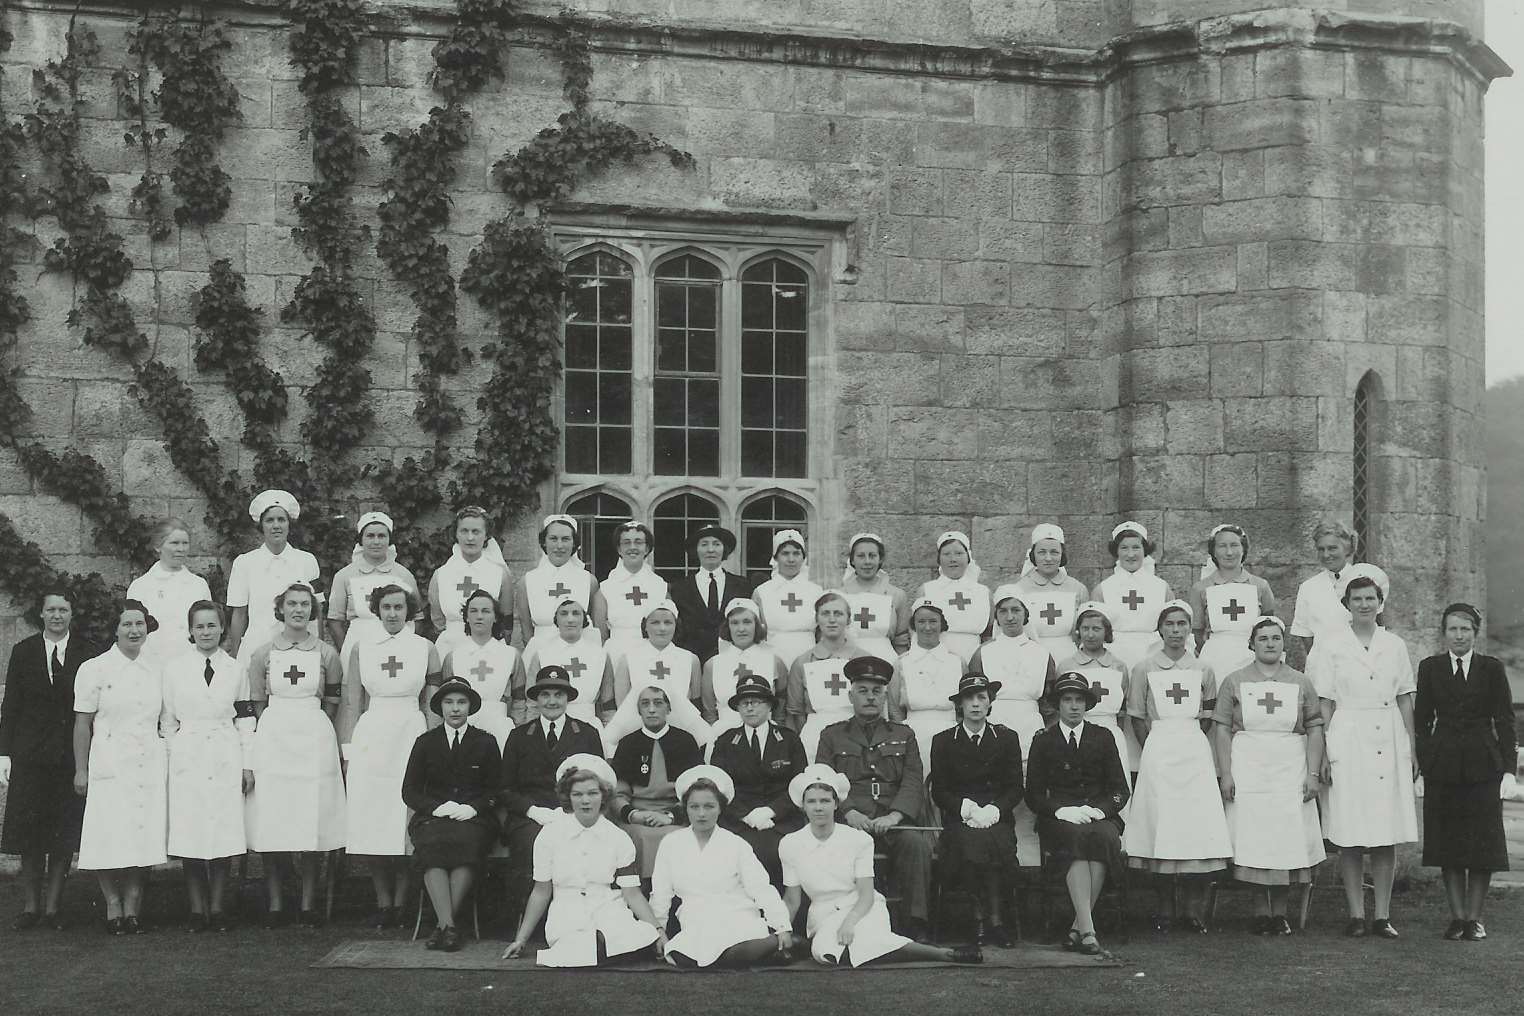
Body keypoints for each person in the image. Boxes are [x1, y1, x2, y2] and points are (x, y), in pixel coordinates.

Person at [1308, 569, 1418, 939]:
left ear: (1380, 602)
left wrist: (1412, 744)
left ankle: (1382, 915)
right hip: (1348, 736)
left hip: (1388, 736)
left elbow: (1405, 696)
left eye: (1370, 598)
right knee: (1350, 831)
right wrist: (1321, 752)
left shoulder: (1395, 645)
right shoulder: (1332, 645)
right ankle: (1356, 914)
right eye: (1357, 599)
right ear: (1347, 605)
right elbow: (1325, 701)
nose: (1365, 605)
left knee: (1384, 832)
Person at [781, 764, 981, 966]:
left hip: (862, 908)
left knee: (861, 941)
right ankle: (922, 952)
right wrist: (783, 932)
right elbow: (792, 900)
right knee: (826, 953)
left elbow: (866, 894)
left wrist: (850, 923)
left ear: (835, 804)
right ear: (803, 806)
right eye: (811, 802)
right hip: (824, 916)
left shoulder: (858, 840)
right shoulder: (790, 843)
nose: (818, 808)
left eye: (825, 801)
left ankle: (942, 955)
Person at [1213, 616, 1325, 935]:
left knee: (1285, 837)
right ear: (1252, 644)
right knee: (1255, 838)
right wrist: (1226, 773)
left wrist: (1313, 773)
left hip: (1290, 767)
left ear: (1283, 644)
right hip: (1249, 767)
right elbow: (1222, 730)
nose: (1270, 644)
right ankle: (1261, 912)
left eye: (1276, 638)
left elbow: (1315, 728)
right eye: (1263, 638)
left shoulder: (1301, 682)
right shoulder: (1234, 681)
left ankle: (1281, 914)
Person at [1125, 599, 1230, 934]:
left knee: (1194, 827)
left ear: (1190, 629)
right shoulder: (1143, 668)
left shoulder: (1204, 669)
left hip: (1194, 752)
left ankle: (1193, 910)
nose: (1175, 631)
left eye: (1182, 624)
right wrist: (1156, 744)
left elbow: (1209, 716)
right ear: (1160, 629)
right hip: (1158, 748)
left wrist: (1187, 740)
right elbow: (1138, 718)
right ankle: (1165, 909)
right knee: (1162, 825)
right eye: (1169, 624)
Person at [244, 582, 346, 926]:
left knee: (311, 818)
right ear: (281, 609)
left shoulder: (326, 654)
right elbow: (258, 702)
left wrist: (312, 724)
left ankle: (307, 903)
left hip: (313, 739)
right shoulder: (263, 654)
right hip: (274, 738)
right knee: (275, 820)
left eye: (305, 604)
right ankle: (275, 903)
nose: (299, 610)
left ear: (311, 611)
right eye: (292, 604)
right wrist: (277, 726)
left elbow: (332, 699)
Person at [339, 584, 441, 928]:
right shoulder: (361, 648)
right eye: (386, 607)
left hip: (411, 732)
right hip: (372, 735)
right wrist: (349, 750)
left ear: (409, 611)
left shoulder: (425, 648)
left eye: (399, 607)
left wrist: (432, 745)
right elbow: (353, 700)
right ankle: (383, 902)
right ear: (377, 610)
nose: (393, 614)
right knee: (374, 819)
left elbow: (433, 701)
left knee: (404, 819)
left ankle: (403, 900)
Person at [814, 655, 935, 941]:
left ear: (885, 696)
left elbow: (913, 780)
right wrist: (849, 812)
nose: (870, 697)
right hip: (850, 821)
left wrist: (895, 815)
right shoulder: (831, 736)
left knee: (916, 844)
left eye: (877, 691)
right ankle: (840, 922)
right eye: (863, 691)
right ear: (850, 695)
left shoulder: (904, 735)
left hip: (893, 819)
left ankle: (914, 923)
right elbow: (823, 781)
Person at [502, 754, 663, 966]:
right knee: (579, 943)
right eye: (577, 794)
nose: (585, 801)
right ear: (568, 797)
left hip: (610, 910)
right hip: (567, 913)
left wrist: (658, 931)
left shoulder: (619, 838)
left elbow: (632, 894)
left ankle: (602, 948)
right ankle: (602, 950)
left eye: (592, 793)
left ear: (604, 796)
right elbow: (541, 891)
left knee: (640, 933)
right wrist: (521, 940)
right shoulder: (549, 835)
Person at [1415, 602, 1515, 942]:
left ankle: (1475, 918)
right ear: (1444, 633)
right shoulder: (1430, 668)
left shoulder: (1491, 668)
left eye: (1465, 629)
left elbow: (1505, 720)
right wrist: (1424, 764)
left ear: (1475, 633)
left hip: (1483, 766)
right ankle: (1456, 917)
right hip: (1443, 767)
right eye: (1453, 629)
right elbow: (1422, 719)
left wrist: (1509, 771)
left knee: (1482, 845)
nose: (1459, 635)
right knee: (1450, 843)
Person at [0, 589, 98, 931]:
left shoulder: (87, 653)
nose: (57, 615)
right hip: (29, 756)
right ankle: (31, 906)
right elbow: (10, 704)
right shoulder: (23, 651)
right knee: (30, 836)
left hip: (68, 757)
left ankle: (54, 907)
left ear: (72, 614)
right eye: (51, 609)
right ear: (41, 614)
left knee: (61, 836)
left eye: (63, 610)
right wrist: (4, 754)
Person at [72, 599, 167, 935]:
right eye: (127, 624)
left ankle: (134, 901)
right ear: (115, 629)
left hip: (148, 762)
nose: (134, 630)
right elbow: (82, 724)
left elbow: (165, 721)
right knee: (108, 833)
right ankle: (112, 901)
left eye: (139, 624)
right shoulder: (94, 669)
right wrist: (81, 769)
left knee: (142, 833)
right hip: (109, 759)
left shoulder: (157, 669)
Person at [160, 601, 254, 931]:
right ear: (190, 631)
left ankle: (218, 907)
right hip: (189, 752)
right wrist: (175, 757)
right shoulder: (174, 670)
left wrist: (246, 764)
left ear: (222, 629)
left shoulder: (235, 669)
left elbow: (245, 718)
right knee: (192, 833)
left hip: (225, 750)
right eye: (199, 626)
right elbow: (168, 721)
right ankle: (197, 909)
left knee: (223, 833)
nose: (205, 632)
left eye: (211, 626)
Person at [1025, 673, 1130, 957]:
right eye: (1067, 700)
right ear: (1057, 705)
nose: (1074, 706)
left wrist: (1100, 810)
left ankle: (1079, 928)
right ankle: (1087, 931)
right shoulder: (1044, 740)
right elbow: (1033, 794)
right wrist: (1061, 810)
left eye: (1079, 700)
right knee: (1076, 839)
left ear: (1087, 704)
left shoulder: (1103, 737)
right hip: (1059, 820)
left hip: (1096, 815)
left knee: (1106, 837)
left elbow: (1120, 789)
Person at [650, 765, 794, 968]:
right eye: (694, 807)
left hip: (736, 914)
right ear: (685, 808)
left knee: (730, 949)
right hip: (696, 918)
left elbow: (761, 888)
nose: (701, 814)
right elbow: (661, 892)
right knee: (680, 956)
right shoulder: (671, 843)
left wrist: (781, 926)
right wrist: (659, 930)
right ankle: (770, 951)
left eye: (709, 806)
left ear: (720, 808)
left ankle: (770, 944)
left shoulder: (736, 844)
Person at [402, 676, 502, 952]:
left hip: (474, 819)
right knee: (433, 845)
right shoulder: (425, 742)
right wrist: (436, 807)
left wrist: (473, 808)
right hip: (433, 817)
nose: (455, 708)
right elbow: (409, 791)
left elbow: (497, 788)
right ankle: (449, 926)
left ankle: (442, 927)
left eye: (461, 702)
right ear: (440, 707)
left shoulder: (485, 741)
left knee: (466, 845)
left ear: (470, 706)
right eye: (449, 702)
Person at [499, 665, 606, 924]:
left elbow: (600, 783)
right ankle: (532, 920)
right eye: (545, 695)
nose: (552, 701)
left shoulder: (587, 733)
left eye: (558, 695)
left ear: (568, 698)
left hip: (576, 814)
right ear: (536, 699)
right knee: (532, 843)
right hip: (530, 817)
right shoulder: (519, 735)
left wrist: (571, 810)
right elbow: (504, 788)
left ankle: (576, 919)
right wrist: (533, 811)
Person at [929, 673, 1023, 947]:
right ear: (959, 705)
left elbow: (1015, 787)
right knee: (971, 844)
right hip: (960, 820)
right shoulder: (944, 741)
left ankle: (995, 921)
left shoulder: (1006, 738)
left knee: (993, 843)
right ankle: (979, 920)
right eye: (968, 698)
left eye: (981, 697)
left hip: (997, 819)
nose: (975, 704)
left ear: (990, 702)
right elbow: (940, 790)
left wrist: (995, 809)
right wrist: (964, 808)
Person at [969, 586, 1055, 866]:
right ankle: (995, 860)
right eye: (1003, 611)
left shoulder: (1042, 654)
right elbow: (973, 698)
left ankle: (1030, 865)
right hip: (993, 726)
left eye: (1016, 610)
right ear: (996, 616)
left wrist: (1044, 735)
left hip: (1030, 726)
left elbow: (1050, 703)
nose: (1009, 617)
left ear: (1026, 614)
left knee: (1029, 797)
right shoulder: (984, 653)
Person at [709, 671, 808, 882]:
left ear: (770, 706)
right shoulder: (726, 741)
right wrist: (746, 815)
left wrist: (770, 811)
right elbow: (719, 788)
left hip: (781, 820)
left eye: (756, 701)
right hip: (738, 821)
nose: (750, 707)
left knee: (781, 855)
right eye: (744, 703)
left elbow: (800, 786)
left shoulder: (789, 740)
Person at [611, 685, 704, 876]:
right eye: (645, 704)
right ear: (638, 710)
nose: (651, 709)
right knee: (639, 837)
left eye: (658, 703)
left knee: (674, 837)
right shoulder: (628, 743)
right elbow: (617, 792)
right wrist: (633, 814)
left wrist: (670, 816)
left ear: (668, 709)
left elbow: (698, 790)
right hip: (637, 818)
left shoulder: (685, 741)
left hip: (677, 815)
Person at [226, 490, 322, 662]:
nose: (276, 525)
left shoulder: (307, 561)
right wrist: (235, 655)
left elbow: (317, 611)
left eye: (281, 520)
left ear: (289, 524)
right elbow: (239, 614)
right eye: (270, 520)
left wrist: (318, 649)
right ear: (261, 525)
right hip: (257, 648)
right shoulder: (245, 563)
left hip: (299, 649)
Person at [604, 600, 709, 749]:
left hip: (680, 733)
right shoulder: (629, 658)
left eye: (668, 622)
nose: (662, 628)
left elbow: (694, 701)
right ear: (645, 625)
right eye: (655, 622)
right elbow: (623, 704)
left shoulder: (690, 659)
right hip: (639, 731)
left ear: (676, 625)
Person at [1188, 523, 1277, 679]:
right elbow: (1197, 631)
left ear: (1243, 549)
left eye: (1234, 545)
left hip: (1252, 658)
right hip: (1215, 658)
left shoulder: (1260, 586)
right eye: (1222, 546)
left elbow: (1269, 625)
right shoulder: (1200, 588)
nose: (1229, 552)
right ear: (1213, 551)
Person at [327, 511, 422, 654]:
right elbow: (335, 621)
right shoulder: (344, 576)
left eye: (382, 536)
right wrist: (348, 650)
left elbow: (417, 618)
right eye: (370, 536)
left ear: (389, 540)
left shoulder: (404, 575)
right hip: (358, 645)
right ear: (361, 540)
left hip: (397, 649)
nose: (376, 542)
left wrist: (407, 645)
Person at [888, 598, 964, 775]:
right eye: (921, 622)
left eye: (933, 621)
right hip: (914, 733)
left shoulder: (957, 661)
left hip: (950, 731)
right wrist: (904, 733)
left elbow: (965, 703)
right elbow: (893, 706)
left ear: (942, 624)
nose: (927, 627)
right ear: (913, 625)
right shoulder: (901, 663)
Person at [1059, 601, 1135, 775]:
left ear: (1106, 631)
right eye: (1085, 628)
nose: (1090, 635)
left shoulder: (1118, 666)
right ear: (1078, 631)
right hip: (1076, 732)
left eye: (1096, 629)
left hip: (1111, 732)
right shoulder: (1067, 666)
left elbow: (1122, 709)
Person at [428, 505, 515, 658]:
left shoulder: (500, 574)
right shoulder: (441, 574)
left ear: (486, 535)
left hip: (488, 648)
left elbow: (506, 622)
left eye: (476, 532)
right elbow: (438, 621)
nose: (470, 538)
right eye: (464, 531)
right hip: (450, 648)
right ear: (456, 534)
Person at [439, 589, 521, 751]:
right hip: (463, 727)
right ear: (466, 617)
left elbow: (520, 699)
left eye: (486, 611)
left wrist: (517, 730)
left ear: (495, 617)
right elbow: (446, 700)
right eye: (473, 611)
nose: (479, 616)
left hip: (500, 727)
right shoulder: (454, 656)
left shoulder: (511, 655)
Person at [784, 592, 862, 760]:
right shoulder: (802, 662)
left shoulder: (863, 659)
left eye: (838, 614)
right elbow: (795, 712)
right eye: (825, 613)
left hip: (856, 736)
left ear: (848, 620)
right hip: (814, 739)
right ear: (817, 619)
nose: (832, 619)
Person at [514, 514, 601, 659]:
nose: (559, 546)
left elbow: (595, 627)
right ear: (544, 542)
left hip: (578, 656)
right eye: (553, 539)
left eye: (566, 539)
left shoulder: (588, 581)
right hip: (540, 653)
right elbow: (526, 629)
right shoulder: (528, 581)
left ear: (574, 543)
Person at [127, 518, 212, 660]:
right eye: (174, 543)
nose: (181, 549)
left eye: (185, 543)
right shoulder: (141, 586)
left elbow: (207, 627)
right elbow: (132, 632)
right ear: (158, 546)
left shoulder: (199, 585)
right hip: (151, 663)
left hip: (190, 663)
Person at [670, 524, 755, 663]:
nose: (710, 550)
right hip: (692, 660)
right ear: (696, 550)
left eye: (716, 544)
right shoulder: (679, 588)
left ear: (724, 549)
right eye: (704, 544)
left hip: (732, 660)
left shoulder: (742, 586)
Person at [521, 598, 611, 726]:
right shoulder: (542, 654)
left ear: (584, 620)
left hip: (589, 724)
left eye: (576, 613)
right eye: (563, 614)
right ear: (556, 620)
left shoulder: (600, 655)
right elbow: (532, 703)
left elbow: (608, 703)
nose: (570, 619)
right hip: (551, 724)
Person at [590, 521, 668, 670]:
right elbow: (600, 632)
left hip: (651, 653)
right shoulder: (606, 588)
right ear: (619, 549)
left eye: (638, 542)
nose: (632, 547)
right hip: (616, 653)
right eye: (626, 543)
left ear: (647, 548)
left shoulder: (660, 586)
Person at [1092, 521, 1169, 669]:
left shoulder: (1161, 587)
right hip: (1114, 656)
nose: (1131, 554)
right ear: (1116, 551)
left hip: (1153, 654)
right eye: (1124, 548)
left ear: (1144, 550)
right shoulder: (1102, 589)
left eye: (1136, 547)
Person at [701, 598, 786, 732]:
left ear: (756, 625)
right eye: (734, 623)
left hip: (765, 733)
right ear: (727, 626)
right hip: (724, 733)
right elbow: (709, 711)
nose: (741, 629)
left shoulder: (774, 661)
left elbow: (781, 703)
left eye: (747, 622)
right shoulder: (713, 664)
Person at [1014, 523, 1089, 664]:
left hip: (1069, 657)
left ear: (1062, 555)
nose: (1048, 558)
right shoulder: (1019, 589)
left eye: (1054, 552)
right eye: (1042, 552)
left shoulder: (1078, 589)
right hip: (1031, 657)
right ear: (1033, 555)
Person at [914, 530, 990, 665]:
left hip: (975, 656)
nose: (953, 559)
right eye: (946, 554)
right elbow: (916, 633)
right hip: (937, 656)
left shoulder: (983, 592)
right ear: (939, 559)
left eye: (959, 553)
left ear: (968, 557)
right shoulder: (927, 590)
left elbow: (989, 633)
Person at [1288, 519, 1357, 668]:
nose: (1326, 555)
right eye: (1321, 549)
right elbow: (1306, 636)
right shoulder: (1308, 588)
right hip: (1322, 669)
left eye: (1332, 548)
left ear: (1347, 548)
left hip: (1357, 667)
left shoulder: (1365, 581)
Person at [834, 532, 910, 663]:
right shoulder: (840, 595)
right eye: (861, 556)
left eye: (872, 556)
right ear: (852, 560)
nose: (867, 561)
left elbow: (901, 639)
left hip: (886, 660)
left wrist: (901, 667)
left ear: (880, 559)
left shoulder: (896, 595)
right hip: (848, 659)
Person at [753, 529, 824, 666]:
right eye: (785, 553)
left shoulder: (816, 591)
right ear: (775, 557)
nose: (791, 559)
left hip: (809, 658)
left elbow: (822, 633)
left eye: (796, 553)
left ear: (803, 558)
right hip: (772, 659)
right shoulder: (762, 592)